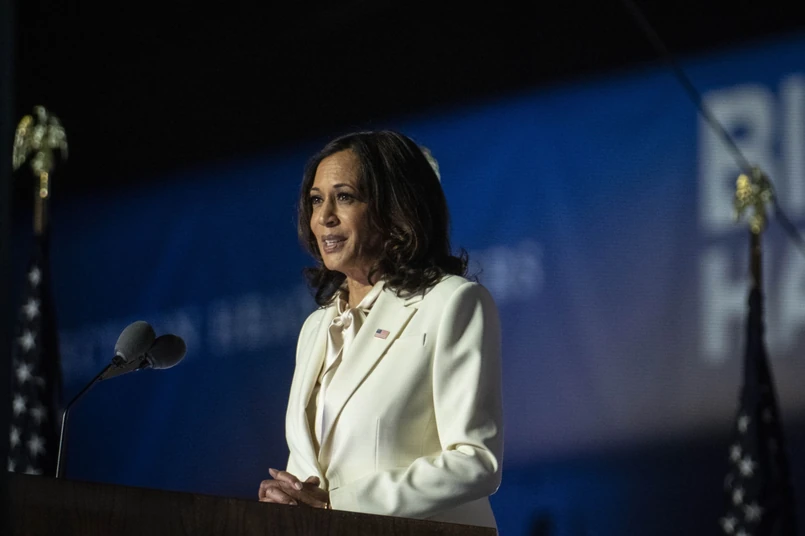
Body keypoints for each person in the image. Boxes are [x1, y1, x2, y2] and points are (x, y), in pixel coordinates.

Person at [258, 130, 503, 528]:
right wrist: (290, 500)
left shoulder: (451, 303)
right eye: (316, 200)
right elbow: (313, 475)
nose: (324, 217)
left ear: (395, 208)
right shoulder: (315, 328)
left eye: (344, 197)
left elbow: (475, 461)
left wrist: (337, 505)